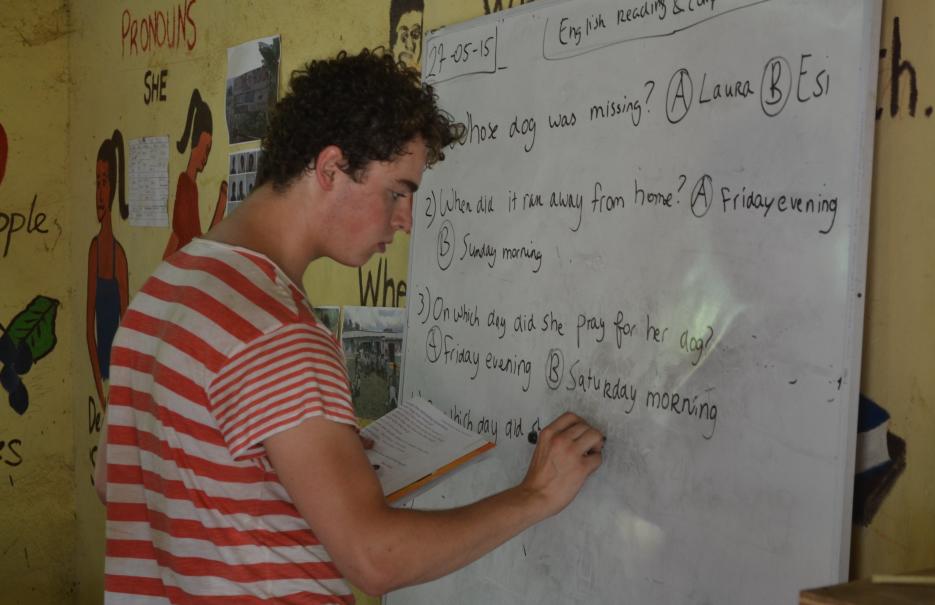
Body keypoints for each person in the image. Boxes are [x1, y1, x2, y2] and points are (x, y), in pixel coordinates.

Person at [95, 49, 605, 603]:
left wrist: (311, 465)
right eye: (397, 192)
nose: (406, 220)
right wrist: (536, 494)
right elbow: (374, 559)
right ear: (331, 169)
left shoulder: (166, 289)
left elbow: (112, 480)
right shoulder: (281, 335)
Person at [86, 130, 130, 408]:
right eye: (97, 182)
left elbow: (127, 330)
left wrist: (117, 388)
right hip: (101, 377)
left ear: (112, 189)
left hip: (117, 377)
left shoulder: (119, 257)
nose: (99, 192)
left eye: (104, 183)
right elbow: (89, 330)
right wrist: (100, 391)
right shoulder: (93, 250)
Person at [162, 88, 228, 258]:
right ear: (194, 144)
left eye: (209, 150)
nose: (206, 157)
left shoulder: (189, 186)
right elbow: (197, 243)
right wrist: (221, 206)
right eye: (205, 148)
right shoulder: (186, 186)